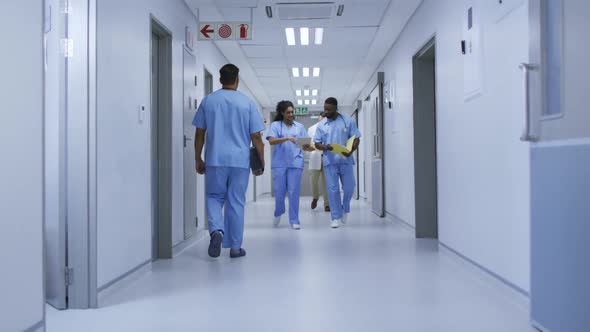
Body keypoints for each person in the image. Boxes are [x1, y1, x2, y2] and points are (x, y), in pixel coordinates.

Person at [193, 64, 265, 258]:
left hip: (215, 159)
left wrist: (197, 158)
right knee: (236, 202)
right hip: (240, 162)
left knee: (214, 197)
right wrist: (261, 161)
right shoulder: (247, 103)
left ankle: (216, 230)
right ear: (237, 79)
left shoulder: (208, 101)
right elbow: (256, 136)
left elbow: (200, 132)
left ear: (220, 79)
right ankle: (235, 248)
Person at [313, 97, 361, 228]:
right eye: (324, 109)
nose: (326, 112)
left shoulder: (348, 121)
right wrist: (325, 147)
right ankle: (335, 217)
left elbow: (356, 138)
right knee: (333, 190)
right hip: (330, 161)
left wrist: (351, 150)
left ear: (336, 108)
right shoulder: (322, 125)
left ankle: (345, 207)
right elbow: (317, 143)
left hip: (346, 160)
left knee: (349, 187)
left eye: (328, 109)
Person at [266, 101, 313, 230]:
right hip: (279, 164)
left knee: (294, 192)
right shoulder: (276, 125)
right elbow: (271, 141)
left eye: (292, 112)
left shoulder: (299, 127)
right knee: (279, 192)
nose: (291, 114)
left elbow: (306, 146)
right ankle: (278, 211)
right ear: (282, 113)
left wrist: (309, 147)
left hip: (295, 163)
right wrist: (287, 138)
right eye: (288, 112)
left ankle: (294, 220)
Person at [307, 112, 330, 212]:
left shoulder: (330, 128)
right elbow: (307, 144)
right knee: (313, 181)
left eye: (325, 117)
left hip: (327, 157)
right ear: (319, 118)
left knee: (327, 183)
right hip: (314, 157)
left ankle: (327, 204)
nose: (323, 119)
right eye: (322, 117)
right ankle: (315, 197)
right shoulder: (311, 129)